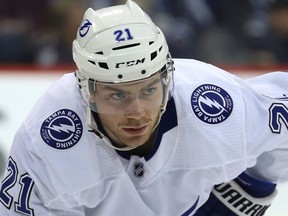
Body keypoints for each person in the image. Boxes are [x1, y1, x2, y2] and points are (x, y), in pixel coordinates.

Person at [0, 1, 287, 215]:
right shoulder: (52, 140)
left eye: (149, 90)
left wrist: (245, 197)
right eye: (117, 95)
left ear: (168, 79)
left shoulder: (212, 103)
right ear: (86, 91)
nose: (136, 111)